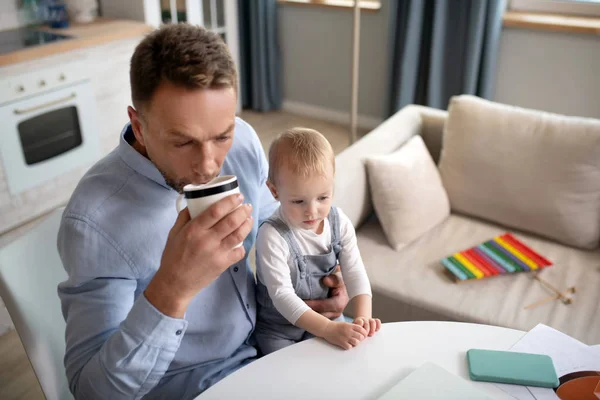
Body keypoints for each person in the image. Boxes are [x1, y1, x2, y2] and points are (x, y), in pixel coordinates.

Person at [56, 24, 350, 400]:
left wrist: (318, 269)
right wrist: (172, 289)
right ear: (139, 126)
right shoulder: (94, 222)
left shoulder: (243, 140)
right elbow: (91, 391)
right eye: (183, 141)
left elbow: (275, 221)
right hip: (195, 384)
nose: (209, 165)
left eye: (220, 135)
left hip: (272, 341)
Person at [254, 128, 381, 355]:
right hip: (278, 330)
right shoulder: (271, 235)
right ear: (274, 191)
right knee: (287, 379)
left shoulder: (339, 223)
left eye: (323, 197)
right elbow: (282, 297)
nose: (312, 211)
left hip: (327, 321)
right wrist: (328, 330)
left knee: (348, 360)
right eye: (298, 201)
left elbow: (355, 273)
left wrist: (363, 317)